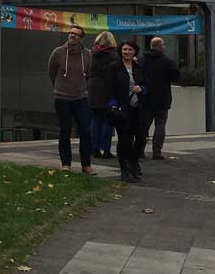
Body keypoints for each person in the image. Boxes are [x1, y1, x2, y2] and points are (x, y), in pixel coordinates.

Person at [48, 24, 94, 173]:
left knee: (85, 130)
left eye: (76, 34)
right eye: (70, 33)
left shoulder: (87, 54)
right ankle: (66, 164)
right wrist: (58, 88)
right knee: (65, 131)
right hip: (62, 97)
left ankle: (86, 164)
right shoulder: (58, 52)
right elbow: (51, 71)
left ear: (81, 38)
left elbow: (89, 73)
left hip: (81, 97)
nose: (72, 36)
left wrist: (83, 88)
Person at [105, 39, 145, 182]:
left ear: (135, 51)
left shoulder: (138, 67)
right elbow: (108, 88)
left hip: (137, 108)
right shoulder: (113, 67)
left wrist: (141, 89)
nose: (127, 52)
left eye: (130, 50)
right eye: (124, 49)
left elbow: (145, 84)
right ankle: (124, 169)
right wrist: (113, 104)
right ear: (120, 51)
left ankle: (133, 162)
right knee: (124, 140)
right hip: (122, 108)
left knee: (141, 138)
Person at [138, 36, 179, 160]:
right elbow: (175, 77)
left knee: (144, 126)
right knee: (160, 125)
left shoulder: (141, 60)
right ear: (160, 46)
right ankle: (157, 152)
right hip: (162, 98)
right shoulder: (167, 61)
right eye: (163, 45)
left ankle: (140, 150)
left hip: (145, 97)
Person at [88, 31, 118, 159]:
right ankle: (106, 149)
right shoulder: (114, 56)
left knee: (96, 120)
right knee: (108, 120)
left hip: (93, 88)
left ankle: (94, 148)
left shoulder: (91, 54)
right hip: (108, 89)